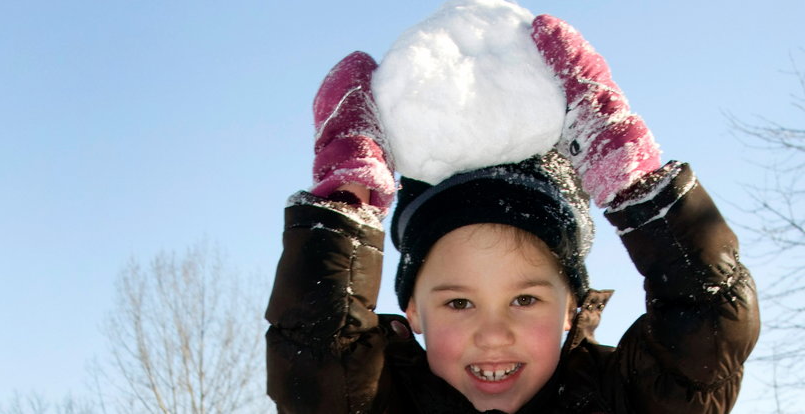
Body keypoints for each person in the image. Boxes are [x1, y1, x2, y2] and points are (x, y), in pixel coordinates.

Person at [265, 14, 759, 414]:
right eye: (459, 303)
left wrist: (633, 180)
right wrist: (350, 201)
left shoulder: (628, 398)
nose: (494, 334)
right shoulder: (377, 400)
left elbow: (708, 318)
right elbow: (316, 356)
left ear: (571, 305)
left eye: (525, 299)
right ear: (413, 310)